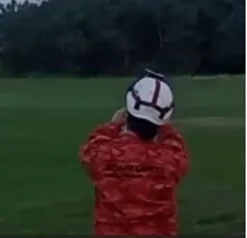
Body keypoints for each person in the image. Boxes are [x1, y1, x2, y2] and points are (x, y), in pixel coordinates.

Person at [80, 70, 190, 236]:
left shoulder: (102, 155)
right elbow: (175, 142)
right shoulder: (170, 161)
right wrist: (160, 119)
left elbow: (93, 144)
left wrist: (113, 124)